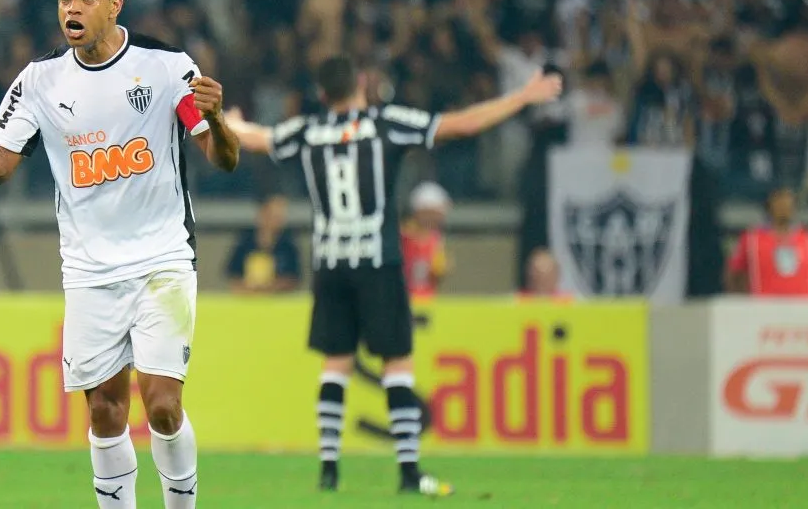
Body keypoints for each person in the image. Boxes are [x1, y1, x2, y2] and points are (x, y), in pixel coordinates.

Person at [0, 0, 240, 508]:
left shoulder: (167, 68)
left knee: (163, 406)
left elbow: (222, 158)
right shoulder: (39, 81)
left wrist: (218, 121)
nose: (72, 8)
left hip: (162, 261)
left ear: (115, 4)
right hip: (89, 272)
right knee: (104, 411)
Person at [223, 54, 562, 496]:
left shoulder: (307, 131)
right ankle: (408, 470)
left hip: (331, 263)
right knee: (397, 362)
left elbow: (257, 139)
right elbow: (460, 125)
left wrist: (229, 121)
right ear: (361, 83)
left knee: (336, 363)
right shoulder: (386, 123)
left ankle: (329, 469)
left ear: (322, 94)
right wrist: (522, 97)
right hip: (378, 261)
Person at [726, 187, 808, 297]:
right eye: (780, 202)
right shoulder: (752, 238)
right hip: (765, 305)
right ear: (769, 205)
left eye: (788, 203)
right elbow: (733, 274)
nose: (784, 207)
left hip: (804, 305)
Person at [225, 194, 301, 294]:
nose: (278, 220)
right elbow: (233, 276)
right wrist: (248, 288)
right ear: (262, 214)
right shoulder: (244, 243)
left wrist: (270, 287)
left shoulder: (288, 246)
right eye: (273, 215)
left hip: (278, 301)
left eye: (281, 216)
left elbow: (293, 279)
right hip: (247, 300)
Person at [400, 181, 452, 297]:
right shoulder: (403, 235)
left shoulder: (435, 238)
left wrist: (440, 269)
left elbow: (436, 273)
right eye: (432, 214)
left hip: (426, 299)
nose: (436, 219)